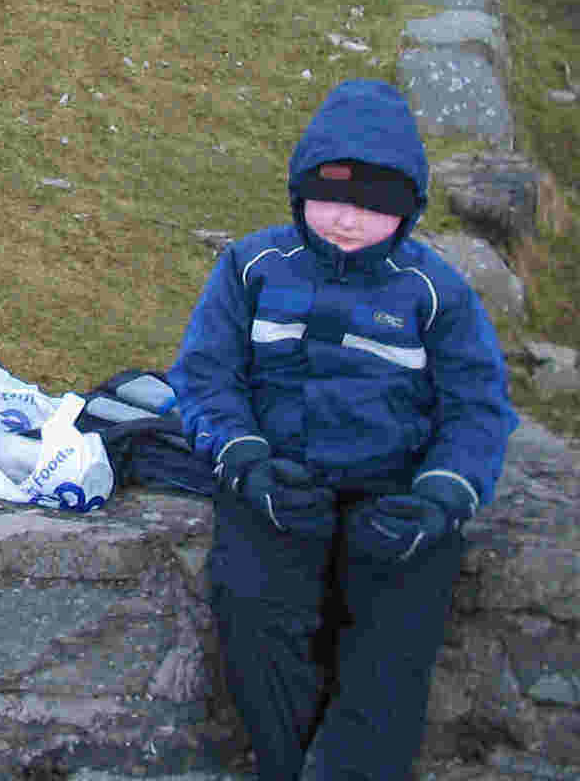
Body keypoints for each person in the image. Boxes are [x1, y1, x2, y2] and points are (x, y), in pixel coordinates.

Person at [167, 80, 517, 781]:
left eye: (372, 205)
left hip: (397, 495)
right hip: (277, 484)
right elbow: (206, 377)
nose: (347, 221)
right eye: (329, 199)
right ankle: (284, 764)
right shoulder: (251, 268)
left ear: (409, 207)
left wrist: (442, 497)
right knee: (252, 610)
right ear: (299, 192)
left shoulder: (436, 292)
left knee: (394, 648)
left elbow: (478, 406)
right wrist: (247, 462)